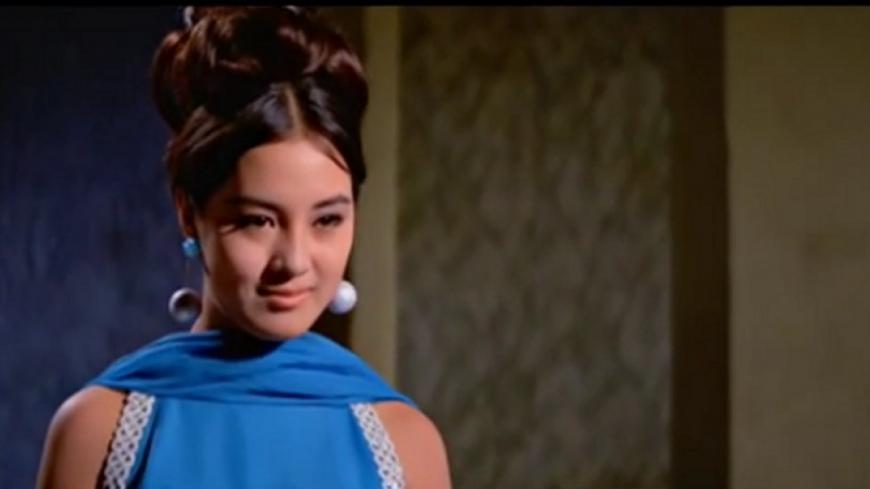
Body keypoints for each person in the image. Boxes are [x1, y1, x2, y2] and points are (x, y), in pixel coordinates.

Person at [35, 6, 451, 489]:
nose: (294, 261)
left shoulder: (406, 444)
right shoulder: (97, 434)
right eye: (258, 220)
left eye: (327, 220)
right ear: (188, 211)